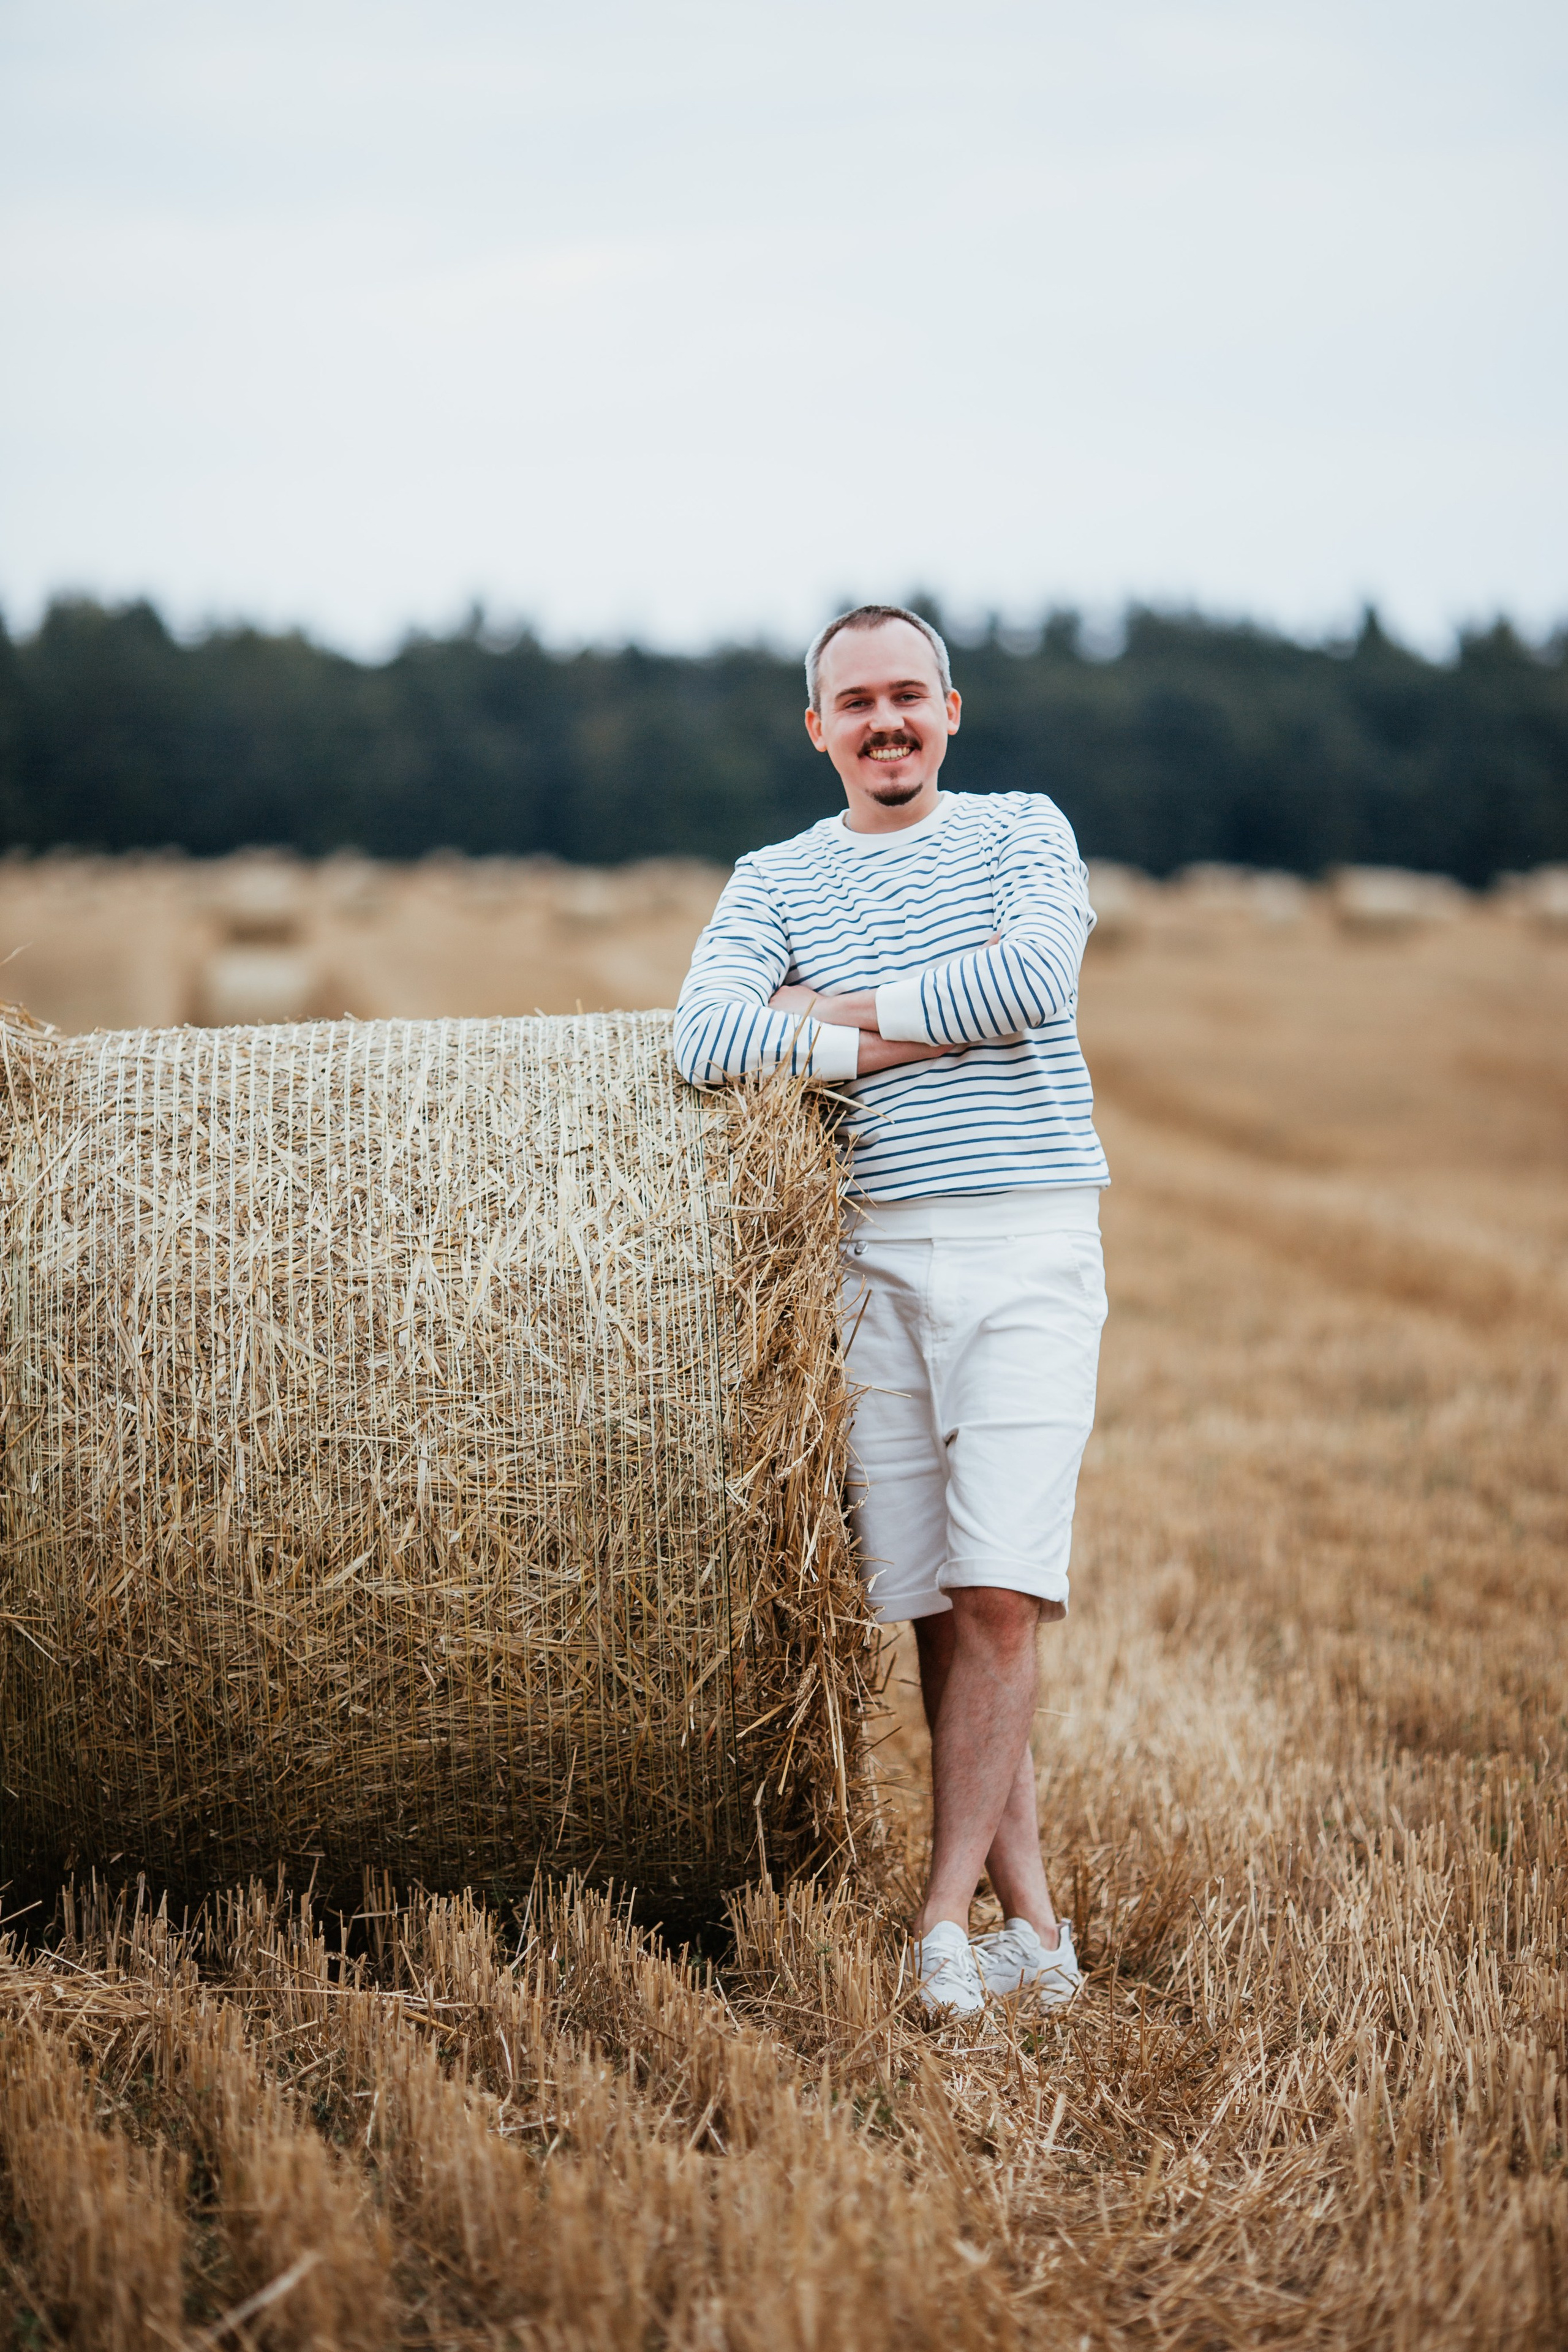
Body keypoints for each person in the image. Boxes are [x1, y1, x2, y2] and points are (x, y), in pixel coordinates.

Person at [673, 605, 1109, 2018]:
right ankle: (1032, 1928)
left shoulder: (1019, 833)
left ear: (950, 709)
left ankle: (936, 1925)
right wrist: (923, 1025)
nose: (884, 722)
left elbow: (1035, 980)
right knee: (933, 1600)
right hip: (868, 1260)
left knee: (997, 1588)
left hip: (1025, 1241)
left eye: (906, 696)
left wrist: (838, 1021)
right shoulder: (774, 874)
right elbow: (703, 1035)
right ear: (817, 728)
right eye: (853, 702)